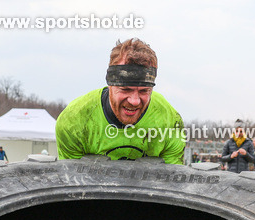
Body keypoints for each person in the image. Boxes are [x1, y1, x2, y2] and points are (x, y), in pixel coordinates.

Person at [56, 38, 185, 163]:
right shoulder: (73, 122)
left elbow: (171, 180)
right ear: (110, 84)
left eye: (143, 91)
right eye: (125, 89)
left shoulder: (170, 122)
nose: (134, 101)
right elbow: (72, 179)